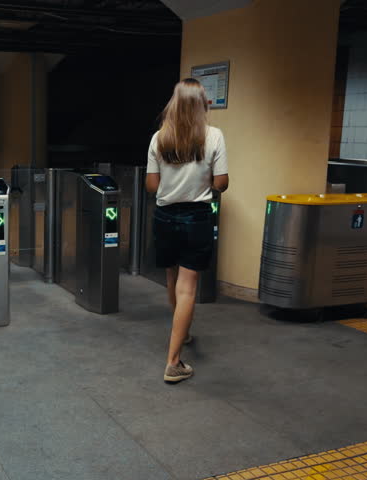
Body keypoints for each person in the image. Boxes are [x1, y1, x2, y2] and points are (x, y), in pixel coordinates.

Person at [145, 78, 229, 384]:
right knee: (188, 287)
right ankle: (173, 362)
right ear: (201, 104)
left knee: (172, 278)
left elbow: (152, 186)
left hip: (165, 216)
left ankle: (184, 331)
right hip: (196, 217)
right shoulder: (214, 136)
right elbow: (221, 183)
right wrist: (201, 179)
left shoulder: (159, 138)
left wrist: (172, 179)